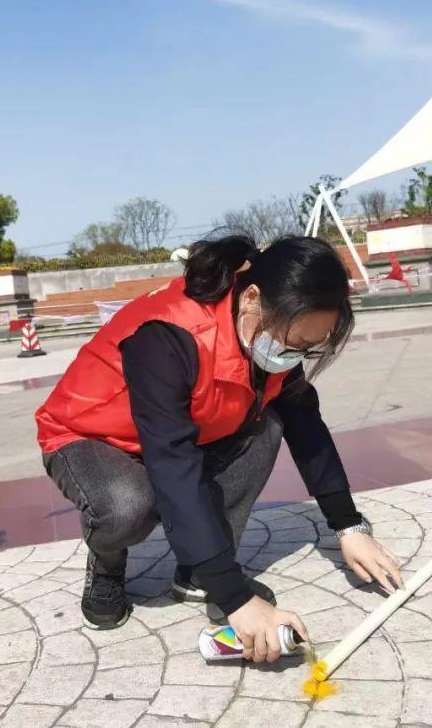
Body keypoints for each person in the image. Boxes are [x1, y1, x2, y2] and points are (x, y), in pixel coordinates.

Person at [36, 234, 404, 662]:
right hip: (90, 436)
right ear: (251, 299)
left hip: (180, 434)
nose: (293, 356)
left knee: (270, 424)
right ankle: (107, 560)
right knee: (128, 505)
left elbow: (306, 423)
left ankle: (198, 573)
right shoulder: (168, 335)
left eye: (307, 348)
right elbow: (173, 463)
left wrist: (348, 527)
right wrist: (237, 599)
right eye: (293, 343)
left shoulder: (270, 332)